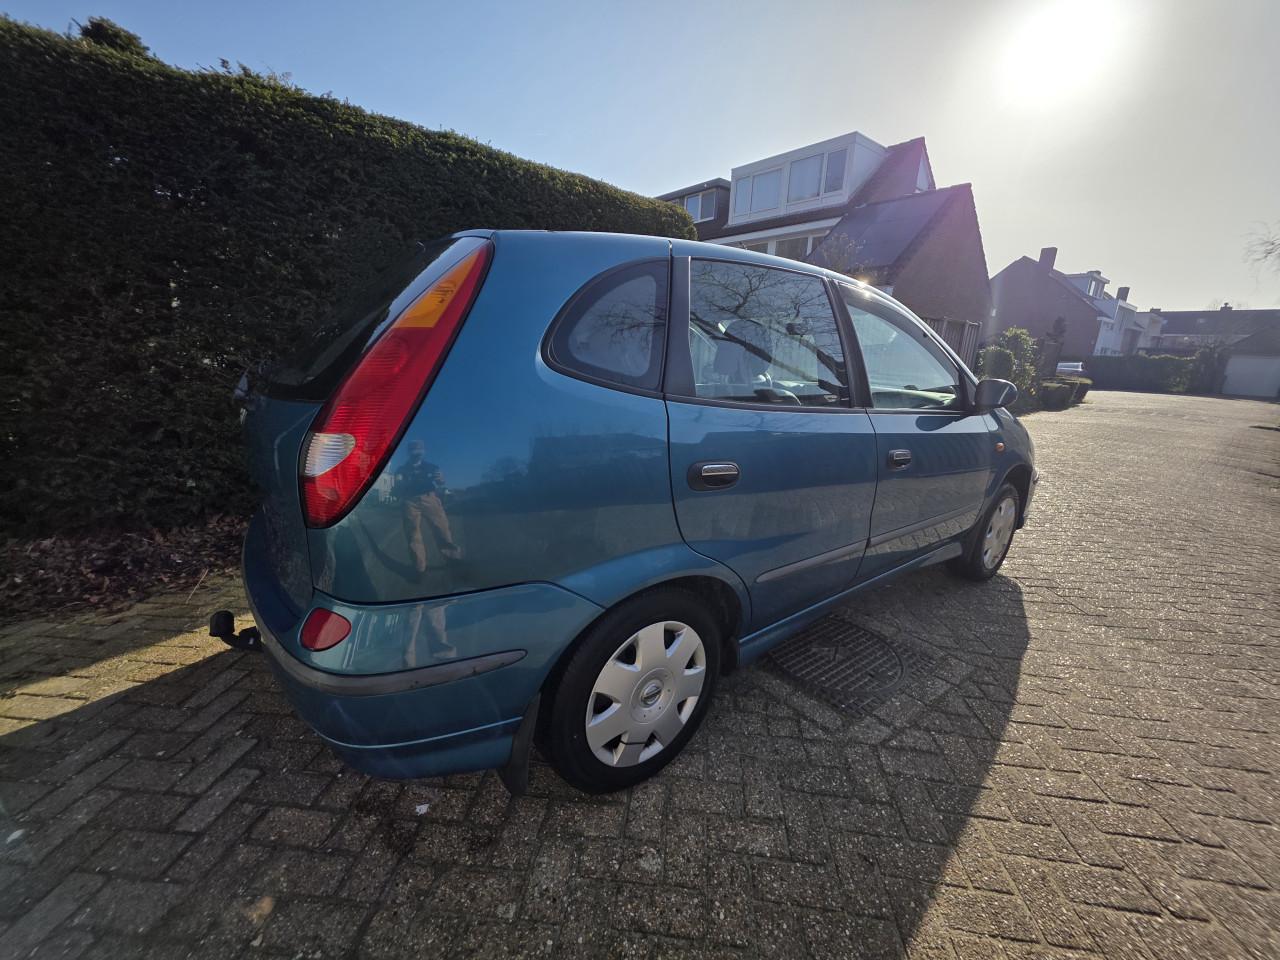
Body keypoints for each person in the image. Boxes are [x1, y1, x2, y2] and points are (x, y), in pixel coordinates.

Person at [394, 440, 461, 574]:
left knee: (442, 528)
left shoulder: (431, 467)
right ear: (409, 452)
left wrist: (441, 479)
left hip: (430, 498)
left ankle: (453, 559)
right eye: (414, 450)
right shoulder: (401, 470)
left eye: (419, 449)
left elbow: (440, 482)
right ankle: (419, 569)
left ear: (423, 451)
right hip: (410, 501)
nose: (417, 452)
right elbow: (397, 488)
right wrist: (399, 483)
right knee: (413, 534)